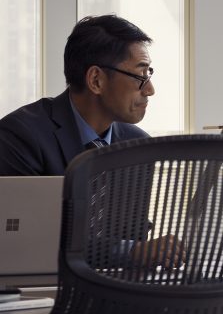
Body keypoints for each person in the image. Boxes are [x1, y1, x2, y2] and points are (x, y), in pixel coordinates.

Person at [0, 14, 180, 269]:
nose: (150, 89)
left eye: (148, 74)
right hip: (39, 291)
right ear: (96, 80)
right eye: (141, 75)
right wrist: (131, 252)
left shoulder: (138, 145)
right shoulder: (21, 135)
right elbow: (30, 241)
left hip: (113, 292)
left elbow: (133, 236)